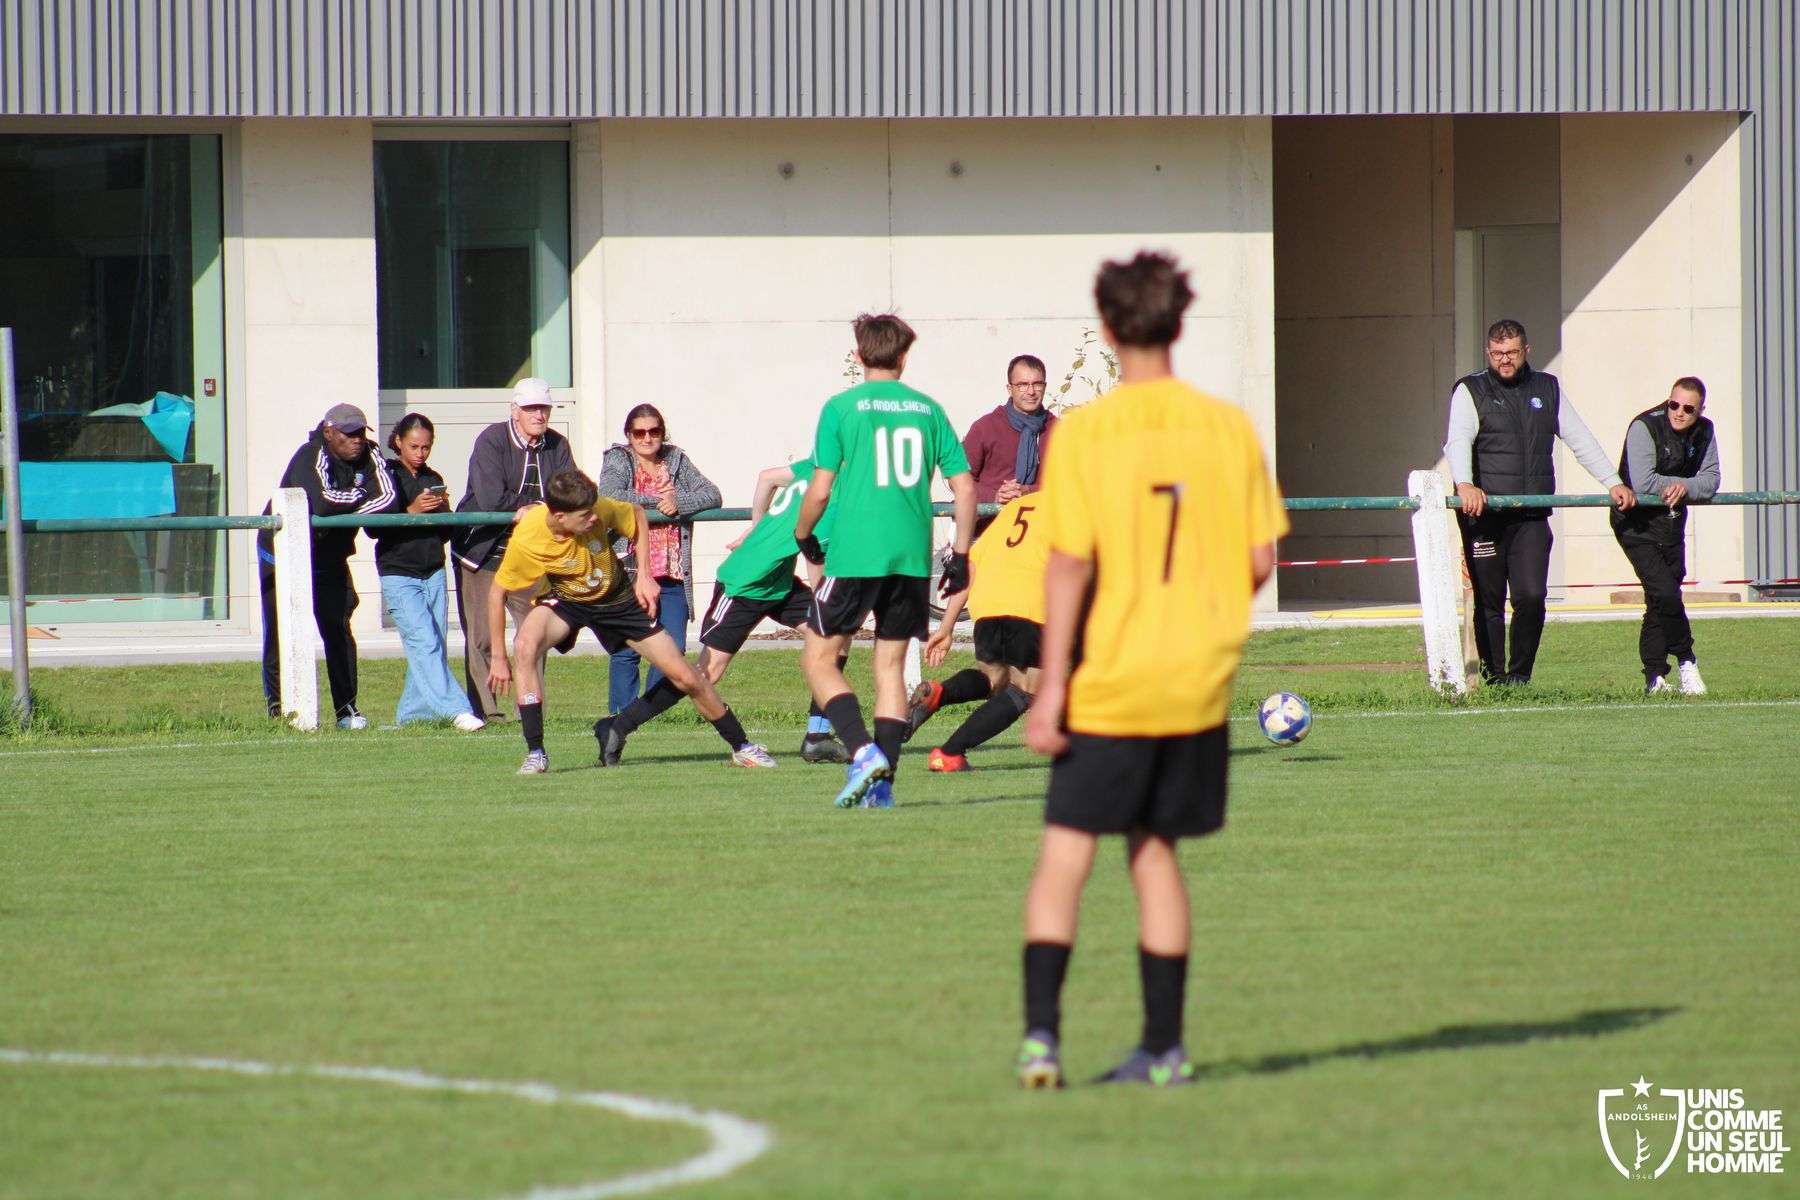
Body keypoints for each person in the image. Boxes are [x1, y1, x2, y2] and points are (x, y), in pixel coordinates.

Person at [1018, 251, 1288, 1088]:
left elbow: (1068, 565)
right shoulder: (1226, 427)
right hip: (1196, 685)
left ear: (1107, 326)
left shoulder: (1087, 433)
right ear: (1178, 320)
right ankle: (1164, 1049)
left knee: (1066, 856)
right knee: (1155, 856)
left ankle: (1041, 1043)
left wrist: (1051, 688)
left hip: (1112, 681)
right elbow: (1259, 560)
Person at [793, 313, 978, 809]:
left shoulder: (841, 407)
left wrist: (802, 533)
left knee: (818, 659)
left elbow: (820, 489)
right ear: (904, 356)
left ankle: (862, 753)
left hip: (857, 552)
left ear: (859, 355)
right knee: (891, 669)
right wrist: (960, 555)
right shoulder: (928, 409)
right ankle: (884, 788)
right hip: (911, 557)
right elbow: (964, 488)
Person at [485, 469, 771, 776]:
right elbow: (496, 593)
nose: (594, 519)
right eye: (584, 516)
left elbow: (637, 514)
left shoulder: (596, 507)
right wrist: (499, 657)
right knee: (524, 646)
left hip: (617, 601)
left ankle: (742, 747)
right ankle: (535, 754)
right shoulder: (528, 537)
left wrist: (644, 575)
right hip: (566, 600)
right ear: (559, 516)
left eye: (593, 511)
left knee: (687, 677)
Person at [1443, 320, 1637, 685]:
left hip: (1531, 515)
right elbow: (1458, 441)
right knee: (1489, 600)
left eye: (1512, 352)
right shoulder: (1470, 389)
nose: (1504, 360)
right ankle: (1495, 678)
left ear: (1526, 351)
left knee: (1531, 596)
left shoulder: (1547, 388)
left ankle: (1519, 678)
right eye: (1497, 353)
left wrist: (1613, 482)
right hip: (1484, 516)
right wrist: (1465, 484)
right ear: (1488, 352)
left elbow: (1580, 439)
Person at [685, 458, 850, 764]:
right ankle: (624, 723)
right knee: (705, 673)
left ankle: (817, 737)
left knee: (836, 637)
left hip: (778, 585)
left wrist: (758, 529)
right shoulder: (833, 486)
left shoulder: (814, 467)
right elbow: (815, 555)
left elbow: (767, 477)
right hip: (748, 583)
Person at [258, 402, 397, 729]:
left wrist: (347, 504)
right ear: (329, 432)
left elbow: (389, 500)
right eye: (349, 434)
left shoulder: (371, 453)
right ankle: (279, 713)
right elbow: (319, 501)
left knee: (339, 632)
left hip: (330, 559)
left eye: (360, 432)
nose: (357, 440)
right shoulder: (310, 455)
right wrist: (361, 494)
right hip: (283, 557)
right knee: (281, 634)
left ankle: (347, 712)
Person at [451, 378, 578, 724]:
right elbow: (491, 498)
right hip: (482, 554)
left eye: (544, 408)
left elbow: (569, 494)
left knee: (535, 634)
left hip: (531, 558)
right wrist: (541, 508)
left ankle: (530, 708)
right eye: (532, 408)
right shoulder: (492, 440)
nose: (539, 415)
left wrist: (533, 511)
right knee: (481, 638)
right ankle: (487, 711)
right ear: (515, 410)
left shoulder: (558, 445)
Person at [906, 489, 1050, 771]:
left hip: (987, 603)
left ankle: (940, 693)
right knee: (1027, 691)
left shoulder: (1016, 508)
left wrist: (946, 626)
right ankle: (949, 753)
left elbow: (970, 567)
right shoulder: (1077, 506)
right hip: (1028, 602)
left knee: (994, 681)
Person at [598, 404, 722, 715]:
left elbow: (712, 494)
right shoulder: (618, 459)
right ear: (629, 435)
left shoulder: (676, 459)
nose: (647, 438)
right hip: (630, 571)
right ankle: (620, 715)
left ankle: (646, 714)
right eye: (639, 432)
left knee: (673, 649)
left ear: (662, 433)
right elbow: (611, 495)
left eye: (654, 431)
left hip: (672, 571)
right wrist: (659, 502)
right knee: (627, 648)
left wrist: (679, 501)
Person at [374, 413, 485, 732]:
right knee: (424, 642)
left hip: (434, 572)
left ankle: (414, 715)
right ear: (398, 441)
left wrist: (442, 510)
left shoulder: (432, 477)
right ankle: (457, 710)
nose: (420, 453)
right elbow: (372, 527)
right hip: (399, 573)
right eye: (414, 446)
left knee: (433, 641)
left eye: (426, 447)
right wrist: (412, 511)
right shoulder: (386, 475)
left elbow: (444, 533)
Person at [1612, 377, 1720, 696]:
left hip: (1671, 523)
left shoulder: (1705, 431)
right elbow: (1643, 482)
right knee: (1666, 593)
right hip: (1636, 525)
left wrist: (1685, 487)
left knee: (1659, 599)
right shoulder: (1644, 426)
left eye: (1688, 408)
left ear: (1700, 410)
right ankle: (1687, 660)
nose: (1679, 412)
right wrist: (1682, 484)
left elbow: (1712, 479)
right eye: (1674, 404)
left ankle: (1654, 677)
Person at [961, 354, 1057, 528]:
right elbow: (960, 478)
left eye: (1037, 384)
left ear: (1044, 387)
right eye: (1022, 385)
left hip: (1042, 530)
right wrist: (996, 497)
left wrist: (1028, 492)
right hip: (988, 529)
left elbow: (1070, 483)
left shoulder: (1060, 431)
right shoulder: (985, 427)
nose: (1031, 391)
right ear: (1009, 389)